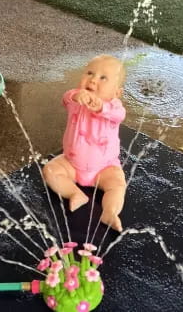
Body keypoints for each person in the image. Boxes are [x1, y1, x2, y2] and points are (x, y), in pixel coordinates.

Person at [42, 54, 127, 232]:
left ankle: (109, 212)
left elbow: (119, 115)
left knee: (118, 184)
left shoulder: (114, 107)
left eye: (103, 78)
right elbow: (66, 98)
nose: (93, 80)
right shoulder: (76, 100)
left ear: (116, 92)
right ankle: (74, 193)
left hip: (104, 168)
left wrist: (101, 107)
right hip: (71, 163)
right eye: (89, 73)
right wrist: (75, 96)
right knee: (50, 170)